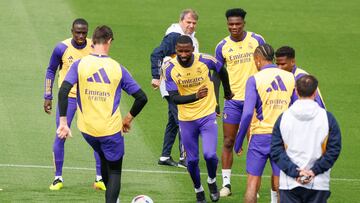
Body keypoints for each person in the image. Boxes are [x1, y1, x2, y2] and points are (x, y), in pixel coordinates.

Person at [57, 25, 147, 203]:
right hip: (110, 130)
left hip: (87, 130)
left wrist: (63, 122)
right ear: (109, 41)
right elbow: (141, 98)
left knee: (105, 160)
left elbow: (63, 90)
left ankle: (113, 199)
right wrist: (128, 119)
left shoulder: (79, 64)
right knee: (114, 170)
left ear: (93, 41)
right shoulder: (117, 68)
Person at [165, 35, 233, 203]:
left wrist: (227, 91)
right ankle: (198, 189)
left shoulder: (205, 60)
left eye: (187, 51)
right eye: (180, 51)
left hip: (206, 115)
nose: (183, 54)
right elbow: (174, 98)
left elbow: (222, 70)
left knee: (210, 155)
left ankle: (211, 181)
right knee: (192, 160)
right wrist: (196, 95)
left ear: (193, 50)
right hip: (186, 119)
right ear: (175, 50)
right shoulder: (169, 68)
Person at [43, 18, 105, 191]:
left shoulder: (94, 47)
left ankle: (100, 178)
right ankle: (57, 178)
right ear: (72, 31)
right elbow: (51, 70)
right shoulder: (61, 48)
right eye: (77, 32)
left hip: (89, 97)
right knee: (61, 134)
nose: (80, 36)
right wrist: (47, 95)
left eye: (84, 32)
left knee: (98, 135)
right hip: (68, 98)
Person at [212, 8, 265, 197]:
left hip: (256, 101)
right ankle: (226, 185)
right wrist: (215, 100)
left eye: (237, 24)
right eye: (231, 24)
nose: (234, 27)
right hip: (233, 101)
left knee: (254, 143)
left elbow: (267, 67)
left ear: (244, 23)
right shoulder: (222, 46)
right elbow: (217, 74)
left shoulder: (257, 40)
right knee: (228, 141)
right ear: (227, 24)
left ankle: (254, 186)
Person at [234, 44, 295, 203]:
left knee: (252, 183)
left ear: (258, 59)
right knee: (280, 183)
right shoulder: (290, 78)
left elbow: (247, 113)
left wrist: (239, 140)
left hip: (260, 137)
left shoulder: (254, 79)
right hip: (282, 138)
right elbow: (295, 109)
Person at [271, 75, 341, 203]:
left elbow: (276, 150)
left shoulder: (283, 118)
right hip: (319, 183)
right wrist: (314, 171)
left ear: (296, 91)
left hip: (289, 183)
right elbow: (334, 149)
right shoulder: (327, 118)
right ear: (315, 92)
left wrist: (296, 173)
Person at [150, 9, 199, 168]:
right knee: (183, 121)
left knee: (173, 121)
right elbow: (156, 54)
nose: (191, 26)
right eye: (188, 22)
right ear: (181, 21)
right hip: (171, 86)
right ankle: (185, 158)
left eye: (193, 23)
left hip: (183, 86)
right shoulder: (174, 37)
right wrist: (156, 77)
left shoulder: (191, 38)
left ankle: (165, 156)